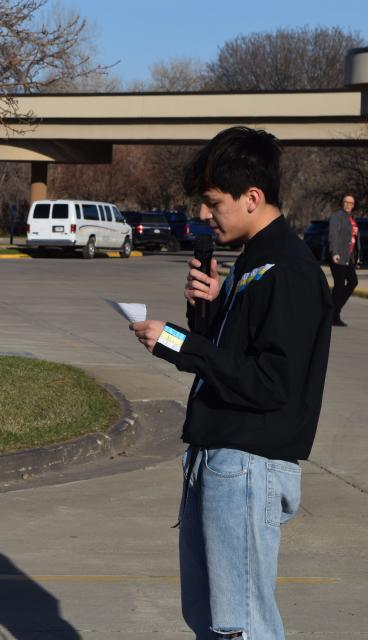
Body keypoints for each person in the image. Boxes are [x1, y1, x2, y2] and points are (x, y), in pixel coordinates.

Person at [129, 127, 332, 639]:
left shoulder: (287, 269)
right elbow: (238, 355)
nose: (203, 215)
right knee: (213, 621)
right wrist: (213, 310)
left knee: (241, 625)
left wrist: (181, 343)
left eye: (212, 203)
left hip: (245, 464)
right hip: (217, 455)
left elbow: (270, 383)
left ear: (253, 198)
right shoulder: (254, 264)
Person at [328, 193, 359, 327]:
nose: (348, 205)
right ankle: (333, 315)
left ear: (353, 205)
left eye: (351, 203)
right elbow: (333, 234)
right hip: (338, 255)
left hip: (349, 257)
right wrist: (334, 252)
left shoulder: (352, 218)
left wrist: (356, 257)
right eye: (346, 202)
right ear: (342, 203)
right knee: (339, 285)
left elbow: (355, 239)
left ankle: (333, 311)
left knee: (353, 282)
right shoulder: (337, 216)